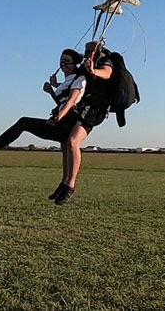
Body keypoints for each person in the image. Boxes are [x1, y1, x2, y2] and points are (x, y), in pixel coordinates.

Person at [0, 49, 87, 205]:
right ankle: (64, 185)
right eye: (61, 61)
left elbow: (72, 101)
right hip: (63, 121)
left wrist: (58, 116)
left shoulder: (78, 79)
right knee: (63, 149)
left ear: (74, 64)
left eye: (66, 61)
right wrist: (52, 91)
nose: (62, 64)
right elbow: (62, 103)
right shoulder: (68, 81)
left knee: (24, 122)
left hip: (67, 123)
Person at [57, 40, 114, 205]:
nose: (87, 52)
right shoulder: (86, 62)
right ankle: (64, 182)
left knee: (73, 141)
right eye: (86, 50)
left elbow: (107, 73)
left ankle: (70, 185)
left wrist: (93, 70)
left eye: (90, 49)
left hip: (96, 108)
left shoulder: (104, 59)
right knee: (65, 143)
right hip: (85, 106)